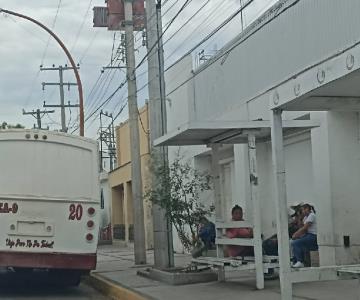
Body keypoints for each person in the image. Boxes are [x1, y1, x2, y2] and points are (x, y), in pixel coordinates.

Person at [291, 203, 318, 268]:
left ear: (307, 209)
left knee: (295, 243)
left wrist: (295, 234)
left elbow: (305, 227)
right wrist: (300, 218)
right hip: (308, 235)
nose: (302, 211)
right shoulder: (305, 217)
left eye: (303, 210)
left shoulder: (312, 215)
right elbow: (301, 227)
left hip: (313, 236)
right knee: (294, 242)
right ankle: (296, 261)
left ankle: (300, 261)